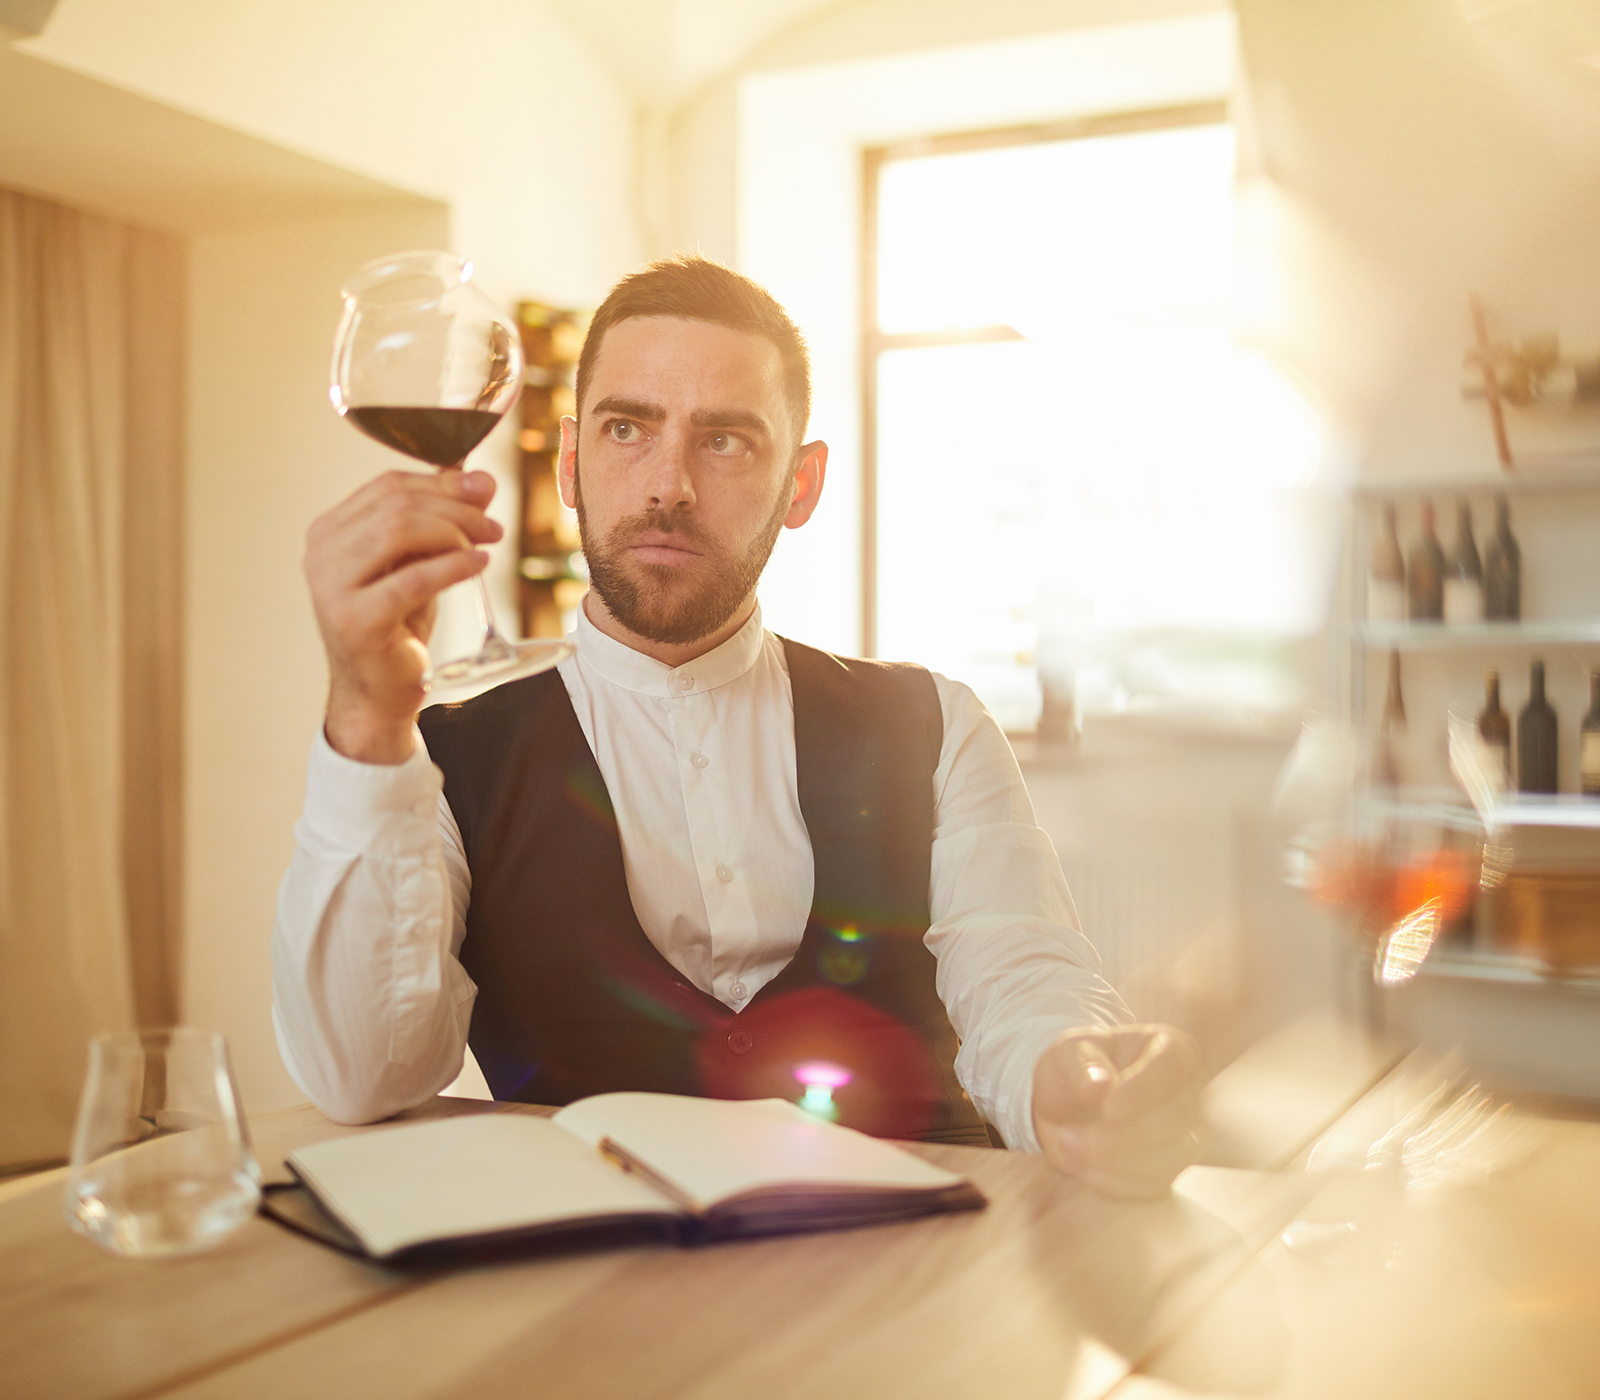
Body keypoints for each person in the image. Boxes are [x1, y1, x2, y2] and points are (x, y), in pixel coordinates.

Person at [273, 255, 1202, 1198]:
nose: (668, 482)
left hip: (919, 1262)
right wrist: (365, 712)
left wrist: (1073, 1081)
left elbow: (1020, 976)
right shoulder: (438, 758)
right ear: (568, 464)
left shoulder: (937, 725)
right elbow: (361, 1076)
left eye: (724, 441)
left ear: (800, 487)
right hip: (590, 1281)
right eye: (627, 428)